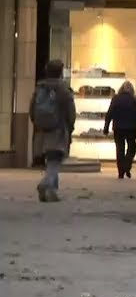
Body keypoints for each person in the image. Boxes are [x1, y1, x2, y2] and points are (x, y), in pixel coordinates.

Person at [30, 59, 76, 202]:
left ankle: (51, 192)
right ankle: (46, 184)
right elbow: (70, 111)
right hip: (58, 129)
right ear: (60, 72)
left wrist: (37, 124)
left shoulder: (40, 88)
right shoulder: (63, 89)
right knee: (55, 159)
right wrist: (70, 125)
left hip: (42, 130)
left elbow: (32, 109)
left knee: (51, 159)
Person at [104, 80, 136, 179]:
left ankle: (121, 172)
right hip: (131, 128)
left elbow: (109, 113)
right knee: (132, 148)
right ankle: (127, 165)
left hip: (118, 128)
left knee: (120, 149)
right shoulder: (134, 99)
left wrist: (106, 127)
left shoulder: (116, 99)